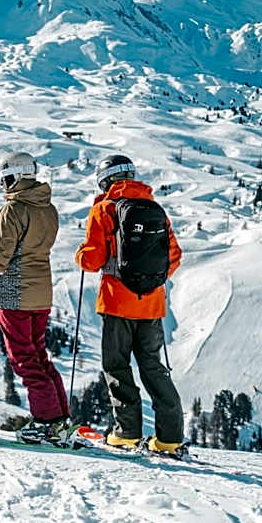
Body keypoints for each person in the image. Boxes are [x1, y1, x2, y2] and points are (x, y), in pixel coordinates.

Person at [75, 154, 184, 456]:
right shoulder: (156, 209)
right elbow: (174, 256)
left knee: (117, 367)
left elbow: (93, 259)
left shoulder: (104, 210)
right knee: (153, 368)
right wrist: (147, 283)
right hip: (152, 307)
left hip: (115, 304)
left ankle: (126, 434)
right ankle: (170, 439)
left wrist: (80, 255)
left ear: (105, 180)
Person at [0, 152, 69, 441]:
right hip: (42, 293)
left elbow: (0, 259)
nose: (3, 185)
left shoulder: (14, 210)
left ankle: (46, 422)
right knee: (40, 356)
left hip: (16, 294)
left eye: (5, 179)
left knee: (25, 360)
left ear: (16, 177)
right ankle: (59, 418)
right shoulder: (48, 208)